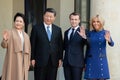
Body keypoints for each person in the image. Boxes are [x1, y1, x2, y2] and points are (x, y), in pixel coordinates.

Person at [30, 8, 63, 80]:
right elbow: (32, 44)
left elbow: (60, 45)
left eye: (51, 16)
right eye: (47, 16)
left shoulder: (58, 29)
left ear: (54, 18)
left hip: (53, 60)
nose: (48, 18)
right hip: (39, 60)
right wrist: (32, 58)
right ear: (43, 16)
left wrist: (60, 58)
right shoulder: (36, 28)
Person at [1, 12, 31, 80]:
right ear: (14, 22)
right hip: (13, 60)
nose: (18, 23)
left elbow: (29, 50)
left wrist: (28, 62)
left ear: (23, 24)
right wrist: (4, 40)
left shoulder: (26, 36)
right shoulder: (10, 32)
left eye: (20, 21)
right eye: (17, 21)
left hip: (24, 61)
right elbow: (3, 45)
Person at [84, 15, 114, 80]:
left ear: (101, 23)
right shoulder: (90, 33)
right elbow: (88, 49)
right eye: (94, 21)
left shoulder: (105, 32)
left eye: (98, 21)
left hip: (101, 60)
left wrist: (109, 40)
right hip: (91, 61)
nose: (96, 23)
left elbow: (112, 44)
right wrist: (85, 62)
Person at [63, 12, 87, 80]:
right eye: (72, 19)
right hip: (67, 63)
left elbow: (88, 44)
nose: (74, 21)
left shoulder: (84, 31)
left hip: (77, 63)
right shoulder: (66, 32)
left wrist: (84, 37)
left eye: (76, 19)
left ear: (79, 20)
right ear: (70, 20)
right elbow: (65, 46)